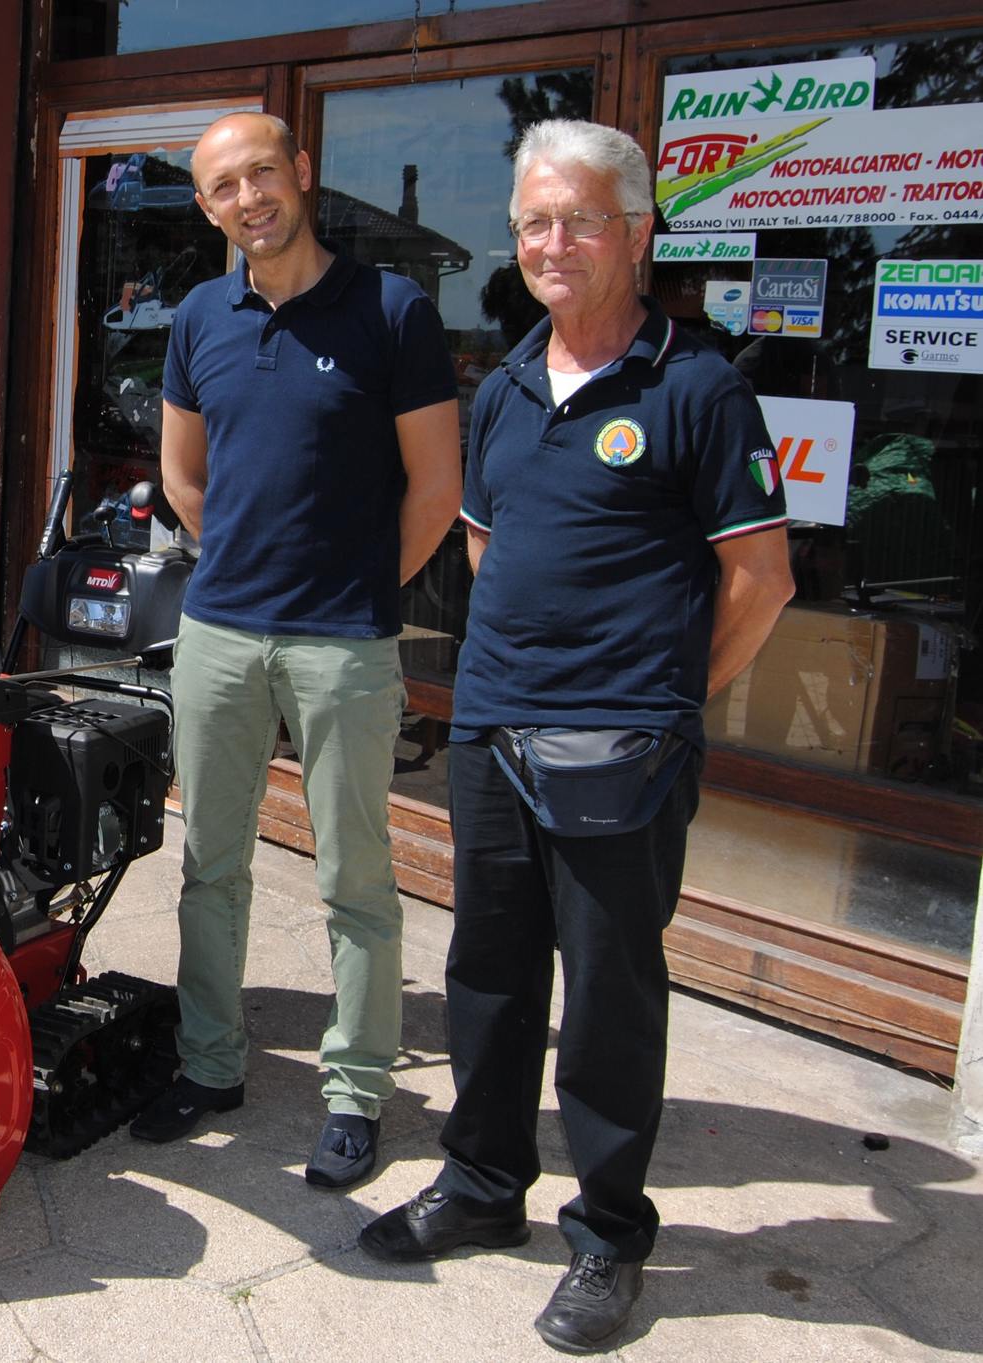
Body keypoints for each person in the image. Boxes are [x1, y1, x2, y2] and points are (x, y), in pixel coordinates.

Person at [360, 119, 794, 1351]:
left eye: (580, 219)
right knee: (488, 980)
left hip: (628, 754)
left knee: (609, 996)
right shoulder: (500, 389)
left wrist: (668, 701)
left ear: (637, 231)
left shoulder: (698, 387)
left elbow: (761, 582)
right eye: (533, 222)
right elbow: (488, 550)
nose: (553, 243)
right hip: (493, 732)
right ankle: (485, 1188)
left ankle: (607, 1236)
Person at [127, 112, 461, 1190]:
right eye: (225, 186)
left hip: (344, 645)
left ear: (301, 173)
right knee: (209, 863)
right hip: (218, 635)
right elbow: (184, 474)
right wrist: (236, 561)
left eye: (262, 174)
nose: (248, 198)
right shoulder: (200, 316)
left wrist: (362, 594)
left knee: (354, 876)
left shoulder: (391, 311)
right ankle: (210, 1062)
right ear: (207, 206)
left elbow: (438, 491)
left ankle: (359, 1088)